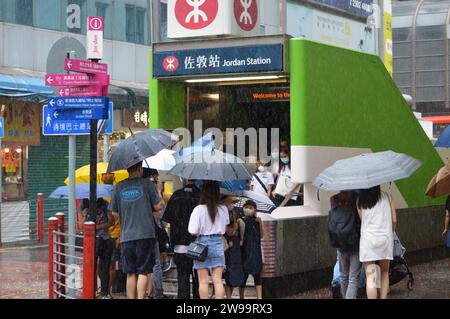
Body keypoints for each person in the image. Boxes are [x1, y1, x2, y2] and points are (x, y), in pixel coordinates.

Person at [109, 161, 162, 299]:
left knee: (130, 273)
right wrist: (157, 189)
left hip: (127, 236)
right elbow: (158, 207)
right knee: (143, 271)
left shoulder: (118, 186)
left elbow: (114, 214)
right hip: (145, 234)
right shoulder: (147, 184)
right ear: (139, 169)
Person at [188, 180, 229, 299]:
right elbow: (224, 229)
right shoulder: (223, 209)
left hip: (201, 245)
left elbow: (192, 230)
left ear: (203, 193)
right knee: (218, 281)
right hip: (218, 244)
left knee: (203, 281)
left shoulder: (198, 210)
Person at [357, 185, 397, 299]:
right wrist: (390, 231)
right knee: (384, 272)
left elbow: (363, 220)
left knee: (371, 276)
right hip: (385, 238)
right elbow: (394, 220)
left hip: (368, 240)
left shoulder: (360, 200)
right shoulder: (388, 197)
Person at [163, 179, 200, 299]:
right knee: (199, 280)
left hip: (179, 245)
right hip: (198, 245)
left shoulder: (176, 196)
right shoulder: (201, 196)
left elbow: (167, 218)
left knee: (182, 279)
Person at [79, 198, 114, 299]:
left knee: (104, 268)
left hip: (104, 239)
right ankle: (91, 292)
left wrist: (97, 227)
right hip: (90, 241)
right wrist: (85, 215)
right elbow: (81, 226)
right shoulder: (84, 203)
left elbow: (111, 221)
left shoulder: (104, 202)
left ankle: (104, 293)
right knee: (91, 268)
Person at [330, 190, 362, 299]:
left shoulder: (333, 198)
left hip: (341, 242)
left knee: (343, 277)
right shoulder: (357, 197)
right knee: (353, 278)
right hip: (355, 241)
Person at [239, 200, 264, 299]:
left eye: (251, 207)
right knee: (243, 277)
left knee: (258, 277)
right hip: (244, 252)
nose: (248, 209)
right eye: (246, 207)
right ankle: (241, 297)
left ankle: (259, 297)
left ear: (255, 210)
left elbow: (261, 235)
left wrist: (260, 223)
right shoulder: (240, 220)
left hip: (256, 252)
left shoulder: (257, 221)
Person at [224, 209, 245, 299]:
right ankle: (229, 297)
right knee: (229, 279)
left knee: (236, 277)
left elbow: (243, 239)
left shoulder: (240, 224)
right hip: (228, 256)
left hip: (238, 255)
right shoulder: (225, 226)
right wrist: (227, 242)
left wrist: (241, 240)